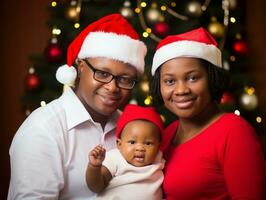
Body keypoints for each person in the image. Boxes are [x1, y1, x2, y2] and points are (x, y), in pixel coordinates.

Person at [8, 14, 147, 199]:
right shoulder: (43, 129)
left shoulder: (130, 127)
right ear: (81, 67)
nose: (112, 87)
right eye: (102, 73)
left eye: (125, 79)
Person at [150, 27, 265, 199]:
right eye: (170, 81)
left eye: (193, 78)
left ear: (211, 78)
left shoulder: (234, 132)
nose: (181, 90)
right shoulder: (165, 135)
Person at [86, 104, 164, 200]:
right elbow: (96, 187)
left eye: (148, 143)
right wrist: (94, 167)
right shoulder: (115, 158)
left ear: (158, 146)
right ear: (119, 144)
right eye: (132, 142)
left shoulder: (158, 158)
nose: (140, 148)